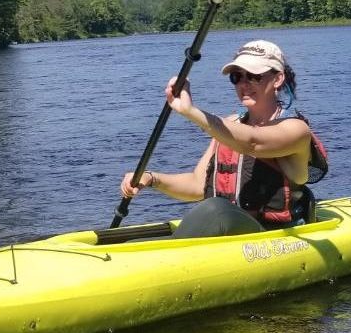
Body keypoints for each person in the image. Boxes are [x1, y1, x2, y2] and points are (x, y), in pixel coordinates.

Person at [120, 39, 328, 237]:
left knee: (215, 208)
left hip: (271, 236)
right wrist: (151, 179)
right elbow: (196, 185)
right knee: (214, 208)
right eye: (237, 77)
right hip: (228, 231)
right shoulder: (231, 125)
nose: (244, 84)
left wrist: (190, 111)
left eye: (253, 76)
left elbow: (253, 142)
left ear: (278, 78)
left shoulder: (296, 129)